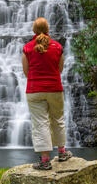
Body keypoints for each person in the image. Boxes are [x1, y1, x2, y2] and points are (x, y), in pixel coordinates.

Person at [22, 17, 72, 170]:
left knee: (40, 123)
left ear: (33, 30)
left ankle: (45, 161)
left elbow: (26, 71)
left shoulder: (28, 48)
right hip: (55, 89)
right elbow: (60, 68)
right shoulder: (57, 47)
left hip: (34, 90)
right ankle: (62, 153)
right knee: (58, 119)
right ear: (48, 29)